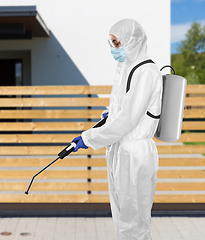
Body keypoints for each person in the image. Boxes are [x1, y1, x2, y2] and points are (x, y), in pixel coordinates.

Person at [72, 19, 163, 240]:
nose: (114, 48)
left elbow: (128, 120)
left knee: (134, 225)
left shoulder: (146, 72)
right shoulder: (127, 69)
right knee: (124, 222)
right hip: (121, 153)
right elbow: (123, 111)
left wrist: (89, 137)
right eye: (111, 43)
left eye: (117, 43)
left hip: (134, 156)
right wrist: (110, 116)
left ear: (132, 42)